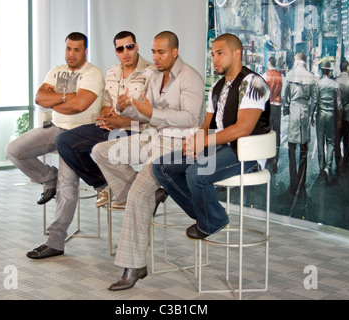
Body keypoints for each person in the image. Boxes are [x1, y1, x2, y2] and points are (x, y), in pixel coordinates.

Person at [92, 31, 204, 291]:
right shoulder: (154, 75)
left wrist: (151, 112)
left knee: (138, 194)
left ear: (175, 52)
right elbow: (144, 113)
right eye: (153, 51)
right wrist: (125, 106)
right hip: (153, 137)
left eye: (161, 52)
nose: (155, 57)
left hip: (177, 146)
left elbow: (190, 119)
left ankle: (134, 266)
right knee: (101, 151)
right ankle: (145, 195)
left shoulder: (191, 78)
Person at [153, 33, 270, 242]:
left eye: (220, 53)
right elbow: (207, 126)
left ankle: (213, 220)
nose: (214, 59)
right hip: (223, 149)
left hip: (248, 154)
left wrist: (203, 142)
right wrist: (193, 143)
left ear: (237, 54)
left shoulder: (254, 83)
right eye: (213, 54)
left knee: (196, 174)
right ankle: (208, 215)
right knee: (162, 166)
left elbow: (243, 128)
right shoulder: (218, 87)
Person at [6, 32, 105, 259]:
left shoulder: (92, 74)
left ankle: (55, 241)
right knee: (14, 150)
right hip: (54, 128)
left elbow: (79, 106)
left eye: (77, 50)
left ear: (85, 51)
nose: (71, 54)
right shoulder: (56, 70)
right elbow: (40, 99)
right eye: (68, 48)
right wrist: (65, 96)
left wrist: (58, 98)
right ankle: (49, 177)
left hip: (78, 135)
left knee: (67, 188)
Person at [56, 31, 155, 207]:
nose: (126, 52)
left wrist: (122, 122)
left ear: (137, 46)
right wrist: (106, 117)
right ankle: (103, 184)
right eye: (120, 48)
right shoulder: (112, 72)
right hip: (113, 127)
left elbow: (152, 114)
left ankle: (134, 192)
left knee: (99, 150)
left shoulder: (152, 72)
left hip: (137, 130)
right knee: (64, 140)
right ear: (116, 51)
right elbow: (107, 103)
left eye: (129, 47)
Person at [281, 52, 317, 195]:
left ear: (296, 60)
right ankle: (302, 182)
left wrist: (286, 108)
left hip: (294, 109)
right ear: (305, 60)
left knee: (291, 148)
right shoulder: (311, 77)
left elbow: (284, 96)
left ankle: (293, 181)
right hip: (305, 111)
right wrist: (311, 112)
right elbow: (315, 99)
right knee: (304, 149)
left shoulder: (290, 75)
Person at [311, 59, 342, 182]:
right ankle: (328, 167)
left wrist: (311, 115)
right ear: (329, 71)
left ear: (322, 70)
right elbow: (339, 104)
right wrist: (339, 119)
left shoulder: (318, 84)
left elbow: (314, 101)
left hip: (320, 115)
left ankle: (320, 168)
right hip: (331, 116)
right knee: (331, 142)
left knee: (320, 142)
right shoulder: (335, 85)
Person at [263, 56, 283, 173]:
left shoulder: (265, 76)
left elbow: (263, 93)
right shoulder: (281, 76)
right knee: (277, 134)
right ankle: (275, 160)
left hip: (268, 107)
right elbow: (284, 94)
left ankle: (267, 159)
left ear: (269, 63)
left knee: (267, 132)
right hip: (277, 107)